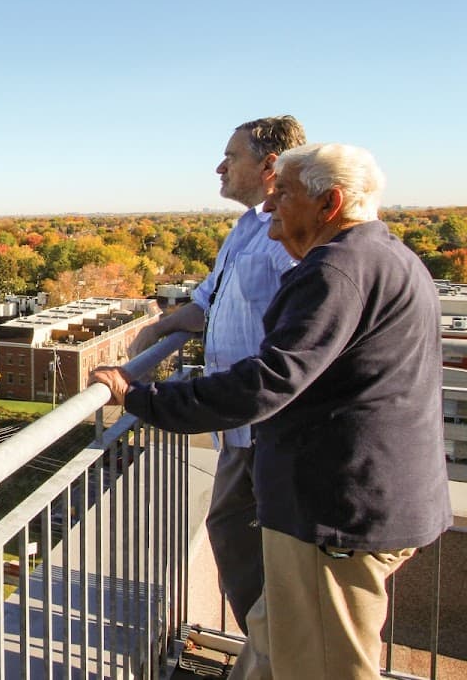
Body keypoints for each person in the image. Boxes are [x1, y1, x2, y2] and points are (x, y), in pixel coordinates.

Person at [91, 143, 451, 679]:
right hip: (348, 500)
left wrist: (139, 397)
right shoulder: (387, 257)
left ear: (328, 203)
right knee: (272, 644)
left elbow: (267, 382)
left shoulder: (338, 270)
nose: (270, 206)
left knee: (320, 666)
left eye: (282, 193)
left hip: (336, 514)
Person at [127, 115, 305, 632]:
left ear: (270, 164)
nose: (219, 167)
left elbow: (309, 328)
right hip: (240, 428)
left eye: (231, 156)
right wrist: (157, 331)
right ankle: (267, 653)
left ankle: (273, 658)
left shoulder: (291, 236)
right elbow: (207, 302)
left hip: (273, 425)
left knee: (259, 551)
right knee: (235, 537)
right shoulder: (248, 226)